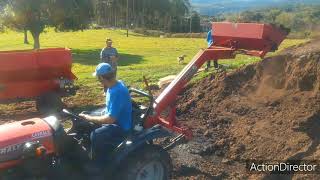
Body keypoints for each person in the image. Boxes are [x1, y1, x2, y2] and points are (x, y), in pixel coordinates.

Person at [79, 63, 132, 164]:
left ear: (102, 78)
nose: (98, 80)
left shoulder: (117, 92)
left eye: (98, 78)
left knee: (96, 135)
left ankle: (100, 163)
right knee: (88, 117)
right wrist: (89, 116)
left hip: (121, 126)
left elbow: (110, 119)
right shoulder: (115, 84)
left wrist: (88, 118)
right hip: (114, 118)